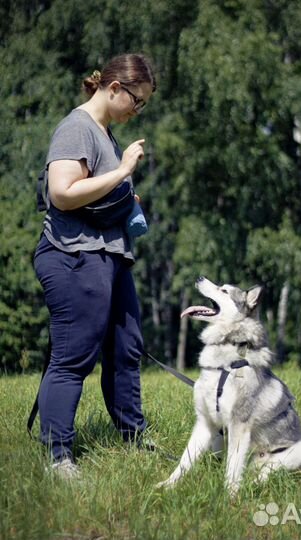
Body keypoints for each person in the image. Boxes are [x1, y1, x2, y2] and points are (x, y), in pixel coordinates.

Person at [34, 53, 156, 479]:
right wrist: (122, 172)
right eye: (136, 101)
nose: (137, 111)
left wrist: (124, 199)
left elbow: (95, 196)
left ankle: (134, 440)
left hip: (109, 256)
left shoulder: (105, 134)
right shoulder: (77, 127)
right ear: (115, 88)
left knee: (126, 351)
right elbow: (63, 193)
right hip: (72, 255)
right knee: (73, 357)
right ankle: (58, 456)